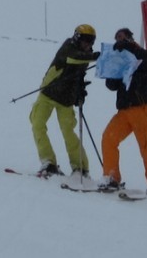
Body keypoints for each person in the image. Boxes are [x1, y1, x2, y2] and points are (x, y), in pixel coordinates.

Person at [99, 27, 147, 197]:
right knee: (109, 138)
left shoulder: (140, 53)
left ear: (130, 38)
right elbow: (112, 85)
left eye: (121, 37)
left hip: (143, 106)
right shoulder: (121, 58)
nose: (118, 40)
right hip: (125, 109)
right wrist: (111, 69)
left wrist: (129, 48)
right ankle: (111, 178)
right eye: (116, 38)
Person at [29, 24, 99, 177]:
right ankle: (48, 162)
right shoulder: (68, 48)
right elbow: (73, 59)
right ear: (76, 37)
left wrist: (80, 91)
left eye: (91, 41)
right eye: (85, 39)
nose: (88, 44)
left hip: (65, 99)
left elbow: (77, 76)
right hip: (48, 93)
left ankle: (80, 168)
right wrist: (98, 56)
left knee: (68, 131)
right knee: (37, 124)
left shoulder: (86, 56)